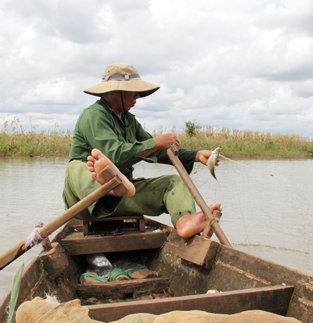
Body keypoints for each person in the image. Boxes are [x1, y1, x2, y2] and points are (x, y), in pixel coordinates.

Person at [63, 62, 221, 239]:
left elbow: (155, 151)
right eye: (133, 92)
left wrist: (196, 155)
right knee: (76, 167)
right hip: (86, 201)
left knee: (174, 183)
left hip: (123, 194)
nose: (137, 96)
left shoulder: (128, 120)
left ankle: (184, 220)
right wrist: (156, 142)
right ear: (116, 92)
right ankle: (107, 186)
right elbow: (115, 154)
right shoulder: (93, 115)